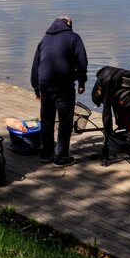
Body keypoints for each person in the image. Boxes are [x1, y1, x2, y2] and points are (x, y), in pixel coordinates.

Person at [29, 16, 88, 166]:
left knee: (47, 120)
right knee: (65, 121)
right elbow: (82, 61)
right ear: (68, 24)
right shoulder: (74, 37)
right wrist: (82, 82)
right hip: (63, 86)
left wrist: (36, 88)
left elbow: (36, 66)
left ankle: (46, 154)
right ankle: (61, 157)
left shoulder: (44, 39)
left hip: (45, 86)